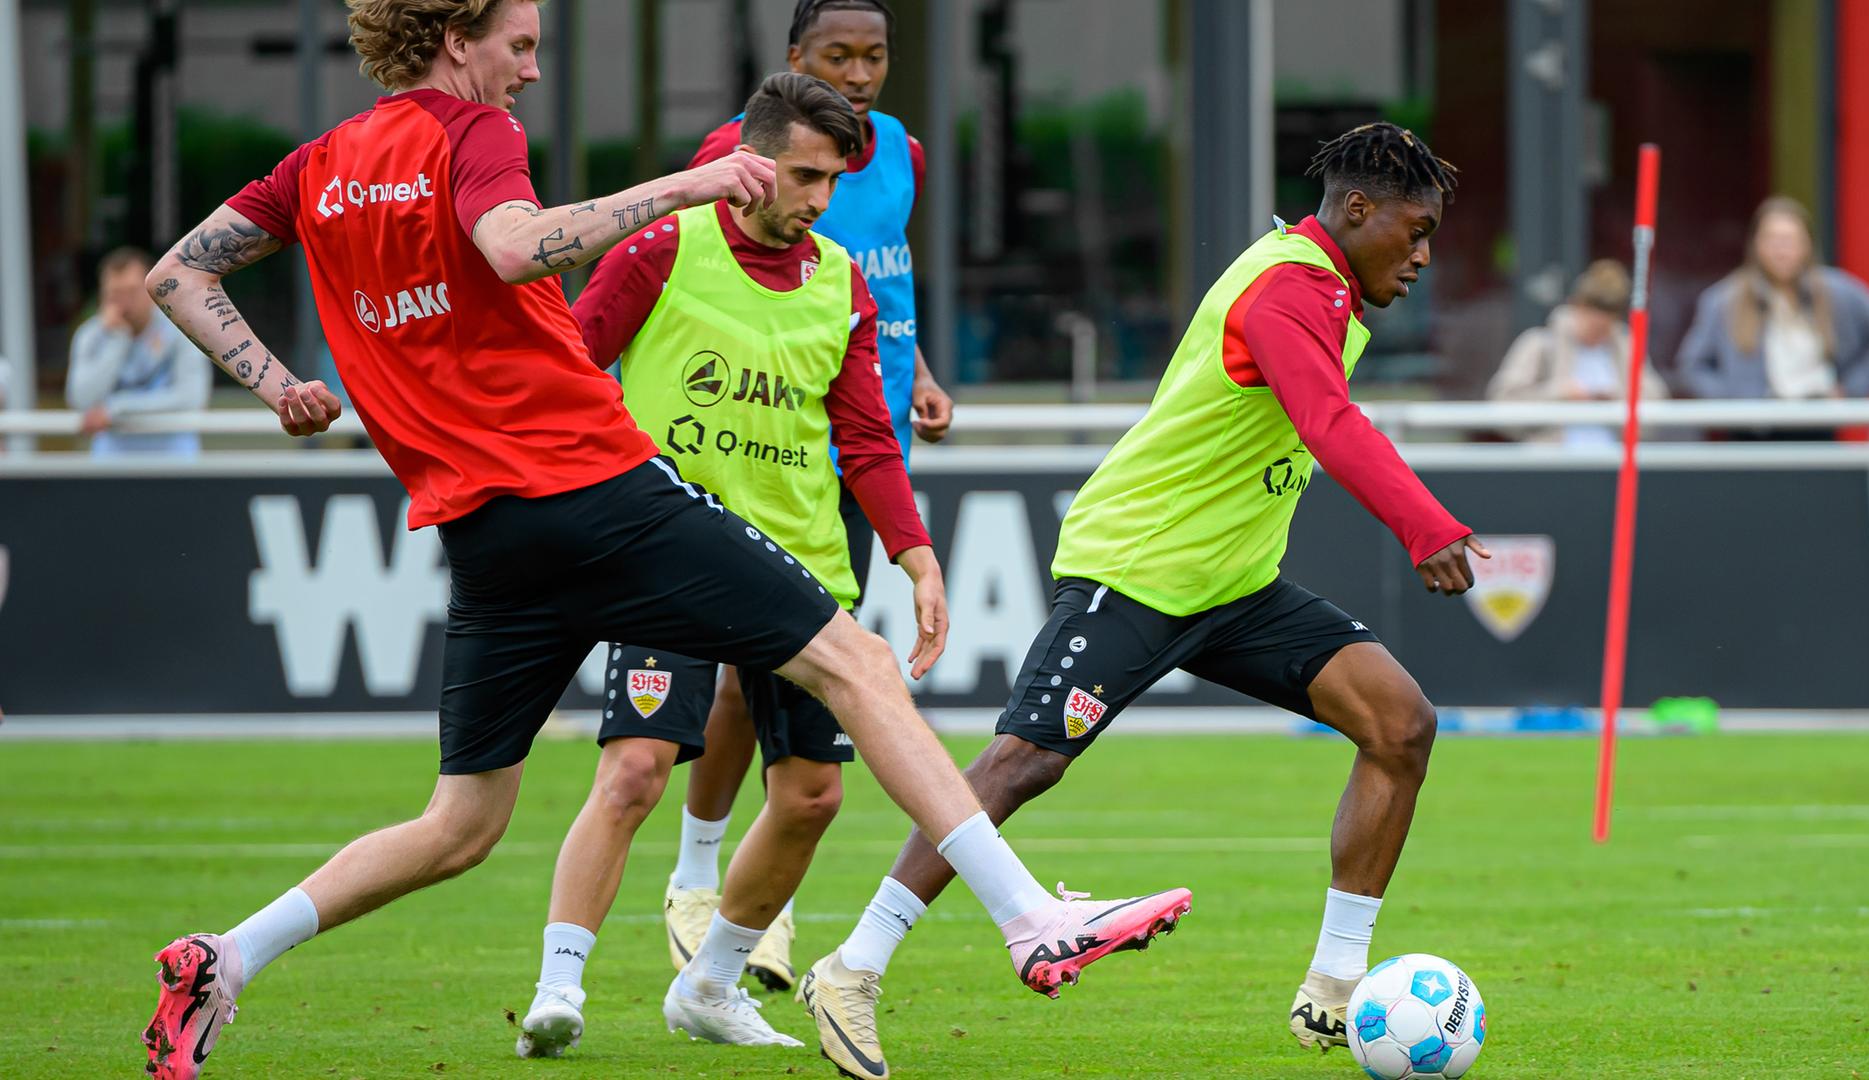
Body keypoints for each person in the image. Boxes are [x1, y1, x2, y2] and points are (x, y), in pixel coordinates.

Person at [134, 4, 1187, 1078]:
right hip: (592, 485)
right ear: (457, 39)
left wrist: (278, 387)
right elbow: (510, 246)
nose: (533, 72)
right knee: (856, 664)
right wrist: (686, 183)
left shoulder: (322, 163)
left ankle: (226, 958)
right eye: (522, 45)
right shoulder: (471, 133)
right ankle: (1025, 920)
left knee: (459, 824)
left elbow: (179, 272)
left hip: (485, 531)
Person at [796, 122, 1488, 1079]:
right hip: (1138, 567)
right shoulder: (1287, 287)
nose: (1421, 259)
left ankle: (1333, 989)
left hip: (1235, 585)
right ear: (1356, 209)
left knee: (1401, 724)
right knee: (1019, 766)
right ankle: (852, 967)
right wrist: (1426, 525)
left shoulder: (1325, 288)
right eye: (1413, 233)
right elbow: (1326, 420)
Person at [512, 72, 946, 1056]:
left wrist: (916, 559)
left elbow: (867, 439)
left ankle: (710, 985)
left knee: (813, 797)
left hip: (802, 575)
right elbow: (573, 366)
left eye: (831, 182)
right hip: (672, 558)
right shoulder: (663, 246)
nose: (817, 200)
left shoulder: (840, 279)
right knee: (631, 772)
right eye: (802, 175)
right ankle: (559, 988)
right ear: (744, 161)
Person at [661, 0, 951, 995]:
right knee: (754, 678)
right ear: (796, 61)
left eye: (875, 55)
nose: (861, 71)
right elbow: (704, 264)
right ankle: (703, 877)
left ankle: (742, 903)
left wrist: (918, 372)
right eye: (839, 55)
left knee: (798, 693)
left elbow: (879, 289)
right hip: (758, 454)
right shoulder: (741, 149)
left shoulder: (899, 151)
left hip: (860, 450)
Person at [1676, 196, 1869, 404]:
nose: (1781, 251)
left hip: (1821, 418)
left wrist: (1853, 387)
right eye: (1773, 240)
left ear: (1807, 244)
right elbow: (1692, 366)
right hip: (1755, 427)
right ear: (1756, 244)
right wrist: (1733, 400)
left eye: (1790, 240)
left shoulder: (1839, 292)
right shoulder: (1724, 300)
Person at [1486, 258, 1667, 444]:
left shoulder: (1625, 348)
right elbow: (1502, 404)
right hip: (1554, 463)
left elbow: (1654, 402)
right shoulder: (1540, 344)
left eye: (1604, 329)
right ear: (1576, 306)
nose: (1596, 334)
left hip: (1613, 462)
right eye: (1591, 325)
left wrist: (1614, 398)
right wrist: (1559, 394)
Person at [65, 247, 212, 456]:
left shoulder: (182, 330)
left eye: (131, 291)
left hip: (174, 465)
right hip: (112, 467)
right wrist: (117, 340)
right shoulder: (89, 335)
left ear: (152, 289)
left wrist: (116, 409)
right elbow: (81, 400)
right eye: (114, 293)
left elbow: (192, 398)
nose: (123, 301)